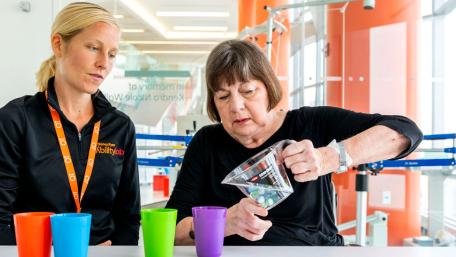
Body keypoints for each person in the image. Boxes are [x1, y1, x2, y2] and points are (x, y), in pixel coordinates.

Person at [166, 39, 423, 246]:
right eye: (223, 96)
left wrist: (329, 157)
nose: (236, 106)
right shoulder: (207, 143)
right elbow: (171, 231)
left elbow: (404, 132)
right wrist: (221, 223)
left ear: (268, 88)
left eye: (248, 91)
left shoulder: (311, 124)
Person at [0, 2, 140, 245]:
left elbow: (128, 218)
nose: (103, 63)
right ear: (58, 45)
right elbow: (1, 219)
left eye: (112, 54)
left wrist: (113, 252)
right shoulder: (16, 120)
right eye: (93, 47)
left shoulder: (120, 127)